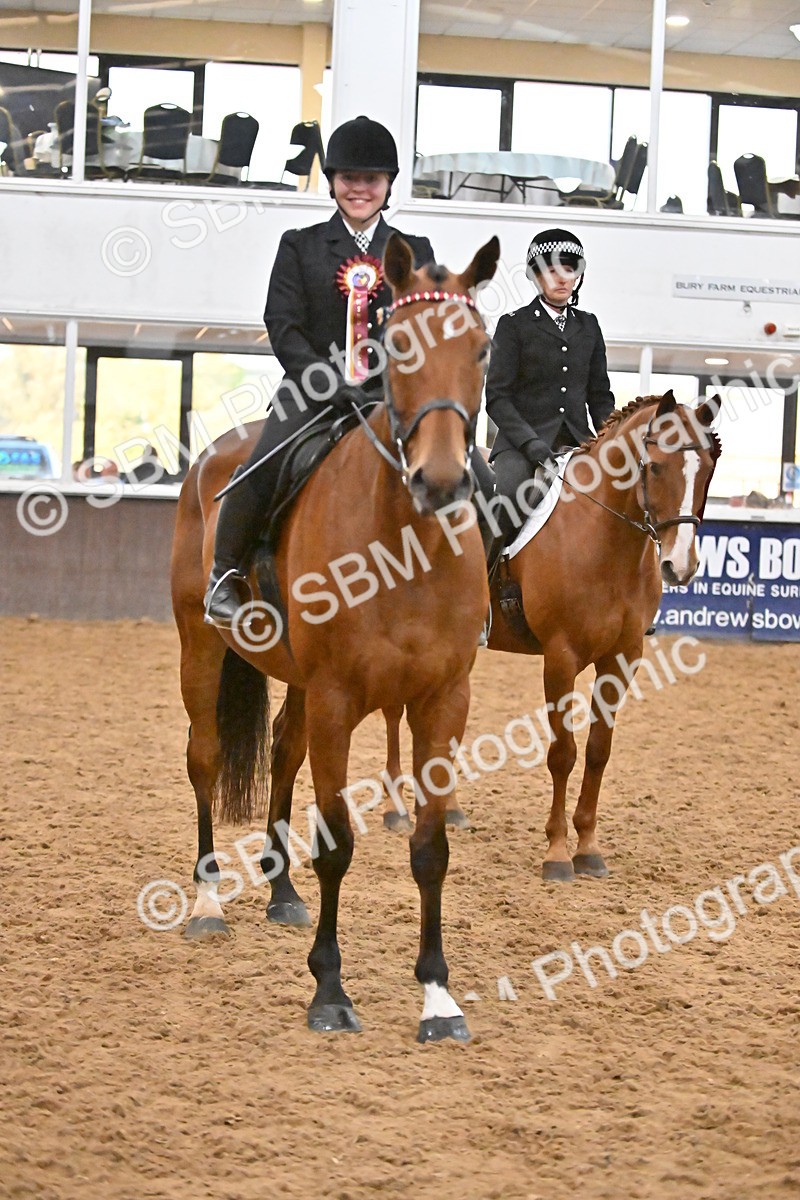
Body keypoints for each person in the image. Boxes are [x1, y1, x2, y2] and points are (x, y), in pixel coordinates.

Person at [204, 114, 495, 627]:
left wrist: (392, 384)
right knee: (261, 462)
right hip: (311, 394)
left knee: (485, 479)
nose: (360, 188)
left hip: (392, 397)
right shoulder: (301, 245)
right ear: (333, 182)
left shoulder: (414, 251)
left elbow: (422, 328)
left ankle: (479, 594)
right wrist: (327, 382)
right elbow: (284, 324)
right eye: (349, 179)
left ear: (388, 185)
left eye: (371, 180)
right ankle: (224, 576)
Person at [485, 228, 615, 537]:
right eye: (551, 270)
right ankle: (487, 575)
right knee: (507, 501)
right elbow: (497, 397)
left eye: (568, 270)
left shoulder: (589, 325)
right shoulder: (513, 324)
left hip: (578, 441)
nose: (561, 278)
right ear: (536, 276)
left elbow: (599, 396)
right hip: (521, 446)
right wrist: (530, 443)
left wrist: (612, 437)